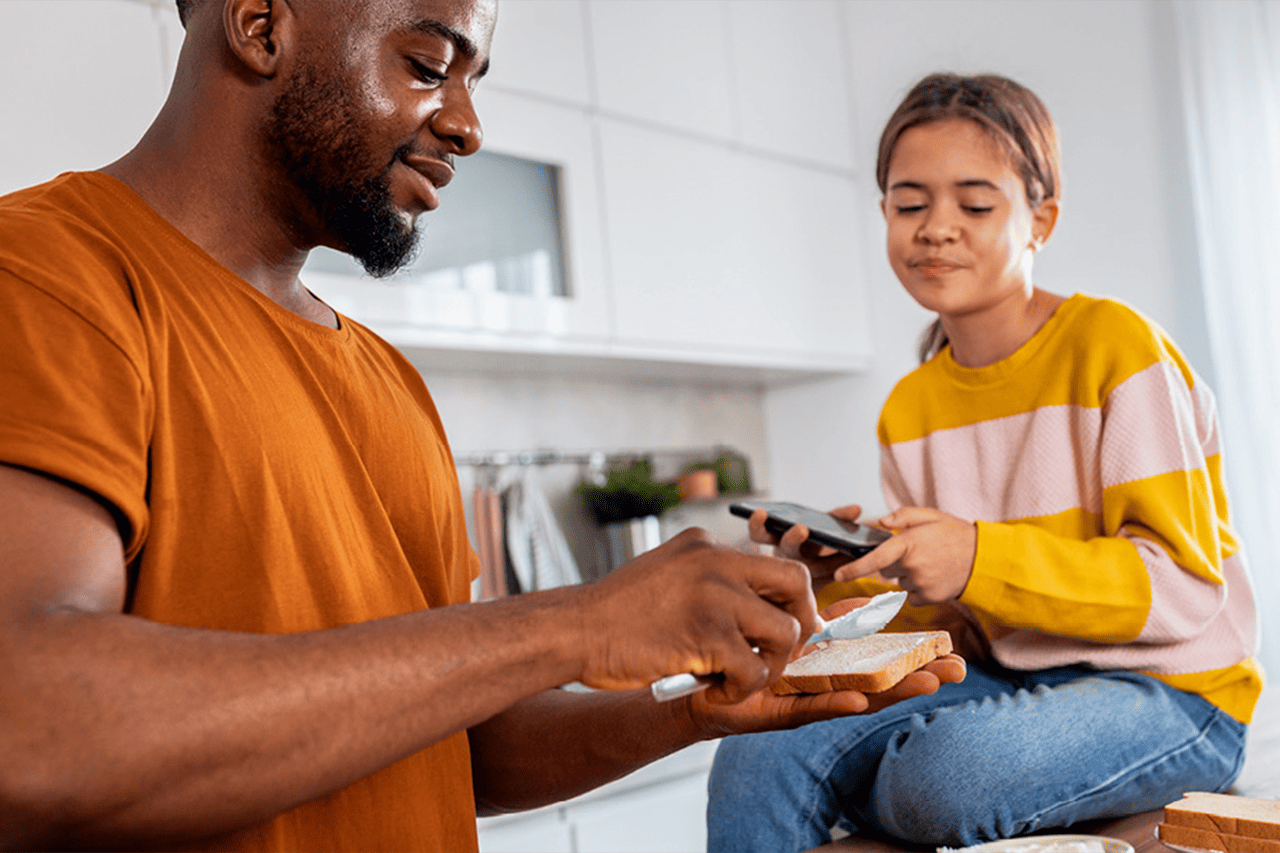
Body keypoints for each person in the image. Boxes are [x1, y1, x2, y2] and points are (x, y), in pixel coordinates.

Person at [0, 2, 967, 851]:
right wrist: (576, 622)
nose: (465, 125)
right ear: (262, 25)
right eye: (427, 65)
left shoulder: (389, 382)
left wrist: (694, 713)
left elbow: (466, 743)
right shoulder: (47, 276)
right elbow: (33, 727)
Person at [706, 72, 1262, 851]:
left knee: (940, 778)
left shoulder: (1117, 350)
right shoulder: (911, 406)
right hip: (1016, 677)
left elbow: (1182, 591)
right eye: (909, 204)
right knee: (757, 748)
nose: (936, 228)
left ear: (1040, 219)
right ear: (884, 216)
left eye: (973, 204)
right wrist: (856, 574)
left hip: (1170, 691)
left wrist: (976, 554)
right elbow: (959, 629)